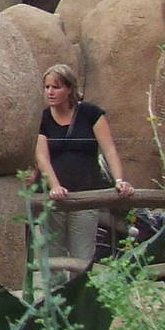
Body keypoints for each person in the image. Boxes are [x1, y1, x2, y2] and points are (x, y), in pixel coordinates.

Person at [33, 64, 133, 264]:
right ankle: (55, 295)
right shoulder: (42, 118)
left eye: (56, 87)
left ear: (69, 88)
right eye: (47, 87)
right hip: (55, 198)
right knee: (53, 256)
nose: (50, 92)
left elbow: (109, 150)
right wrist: (55, 186)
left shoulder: (90, 113)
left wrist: (119, 180)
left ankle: (79, 294)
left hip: (86, 194)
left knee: (83, 255)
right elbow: (42, 156)